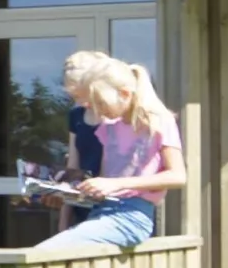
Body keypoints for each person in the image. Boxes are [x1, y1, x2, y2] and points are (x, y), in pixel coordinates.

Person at [35, 58, 185, 250]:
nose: (97, 110)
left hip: (132, 216)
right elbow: (105, 181)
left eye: (101, 102)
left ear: (124, 94)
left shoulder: (159, 122)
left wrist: (115, 184)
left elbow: (178, 176)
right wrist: (65, 194)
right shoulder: (109, 127)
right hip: (100, 212)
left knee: (47, 251)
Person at [59, 49, 109, 233]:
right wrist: (63, 222)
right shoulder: (76, 115)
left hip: (110, 210)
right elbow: (73, 167)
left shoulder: (115, 117)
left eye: (82, 94)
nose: (79, 101)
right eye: (75, 96)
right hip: (82, 204)